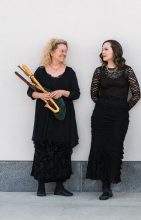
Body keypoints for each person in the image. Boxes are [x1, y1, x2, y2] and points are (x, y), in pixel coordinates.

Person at [86, 40, 141, 200]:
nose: (102, 52)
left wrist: (122, 108)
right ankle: (105, 187)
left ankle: (110, 181)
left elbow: (137, 94)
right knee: (100, 148)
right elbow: (93, 94)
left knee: (114, 147)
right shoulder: (99, 71)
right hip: (100, 115)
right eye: (102, 49)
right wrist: (106, 106)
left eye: (106, 49)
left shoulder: (127, 70)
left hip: (120, 116)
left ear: (115, 51)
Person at [27, 38, 80, 197]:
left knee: (62, 149)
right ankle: (41, 186)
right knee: (43, 148)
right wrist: (41, 95)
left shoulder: (70, 72)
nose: (64, 53)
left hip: (63, 117)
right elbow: (30, 92)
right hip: (45, 116)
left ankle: (59, 187)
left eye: (65, 51)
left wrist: (63, 92)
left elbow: (76, 93)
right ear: (52, 52)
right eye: (61, 50)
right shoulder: (40, 71)